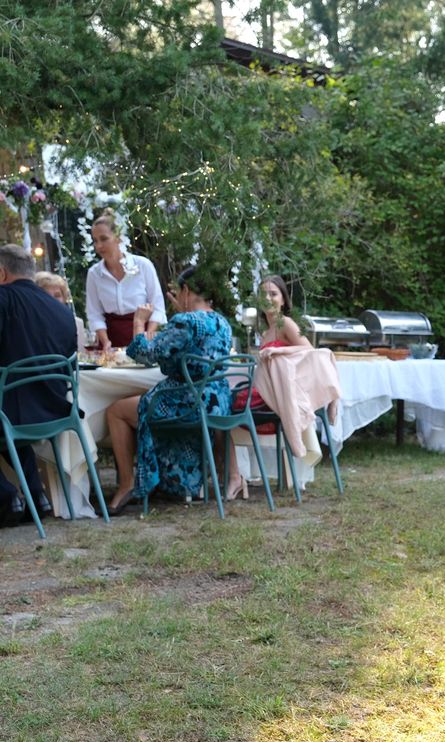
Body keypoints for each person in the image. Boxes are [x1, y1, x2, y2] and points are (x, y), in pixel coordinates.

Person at [103, 265, 233, 515]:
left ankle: (128, 483)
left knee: (117, 410)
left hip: (188, 402)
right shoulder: (221, 322)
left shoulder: (185, 322)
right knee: (140, 403)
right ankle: (165, 481)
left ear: (185, 290)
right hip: (216, 402)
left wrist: (139, 322)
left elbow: (146, 355)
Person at [0, 245, 76, 527]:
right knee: (7, 413)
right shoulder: (62, 311)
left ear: (1, 273)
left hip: (16, 411)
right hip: (56, 410)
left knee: (6, 411)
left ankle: (7, 496)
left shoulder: (3, 298)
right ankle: (36, 495)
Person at [227, 275, 311, 498]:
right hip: (268, 390)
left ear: (283, 299)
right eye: (263, 294)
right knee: (225, 403)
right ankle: (235, 475)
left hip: (278, 394)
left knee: (226, 405)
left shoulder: (286, 324)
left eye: (273, 294)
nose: (267, 298)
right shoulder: (266, 332)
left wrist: (279, 351)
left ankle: (234, 476)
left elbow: (309, 350)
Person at [84, 211, 167, 350]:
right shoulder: (94, 274)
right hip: (110, 340)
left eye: (103, 239)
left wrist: (147, 339)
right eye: (95, 240)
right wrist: (106, 343)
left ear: (118, 237)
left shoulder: (143, 265)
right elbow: (94, 314)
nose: (98, 246)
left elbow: (158, 307)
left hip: (144, 335)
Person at [34, 271, 87, 352]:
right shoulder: (30, 325)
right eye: (46, 295)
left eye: (57, 295)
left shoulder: (77, 323)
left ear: (64, 298)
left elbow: (79, 357)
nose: (52, 300)